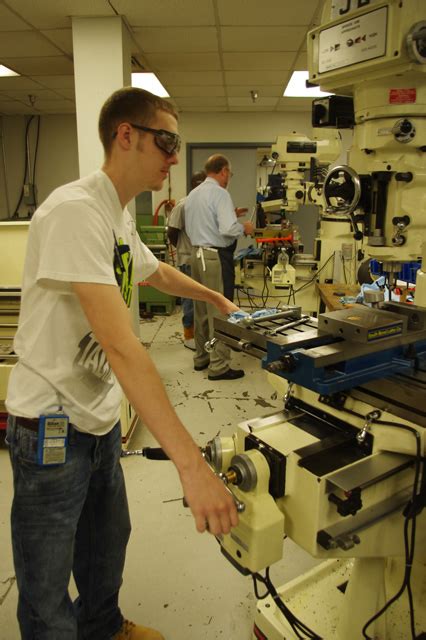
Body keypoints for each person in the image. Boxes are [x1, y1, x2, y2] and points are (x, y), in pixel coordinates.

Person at [5, 87, 239, 640]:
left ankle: (105, 627)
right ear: (126, 135)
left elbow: (156, 272)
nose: (175, 157)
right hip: (50, 424)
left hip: (97, 416)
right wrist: (192, 466)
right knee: (46, 580)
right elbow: (121, 346)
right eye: (168, 142)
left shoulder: (117, 215)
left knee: (106, 545)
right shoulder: (75, 211)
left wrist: (215, 297)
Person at [184, 154, 254, 381]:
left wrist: (231, 216)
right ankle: (219, 366)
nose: (229, 178)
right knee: (221, 311)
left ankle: (202, 357)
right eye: (229, 174)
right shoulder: (220, 193)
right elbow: (226, 230)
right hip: (214, 257)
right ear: (223, 171)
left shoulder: (193, 195)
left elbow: (206, 224)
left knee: (201, 310)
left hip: (196, 255)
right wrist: (244, 228)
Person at [167, 170, 206, 351]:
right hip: (188, 258)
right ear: (194, 185)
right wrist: (184, 249)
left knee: (204, 298)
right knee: (190, 298)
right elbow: (172, 232)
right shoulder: (183, 206)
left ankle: (202, 332)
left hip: (205, 258)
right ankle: (189, 335)